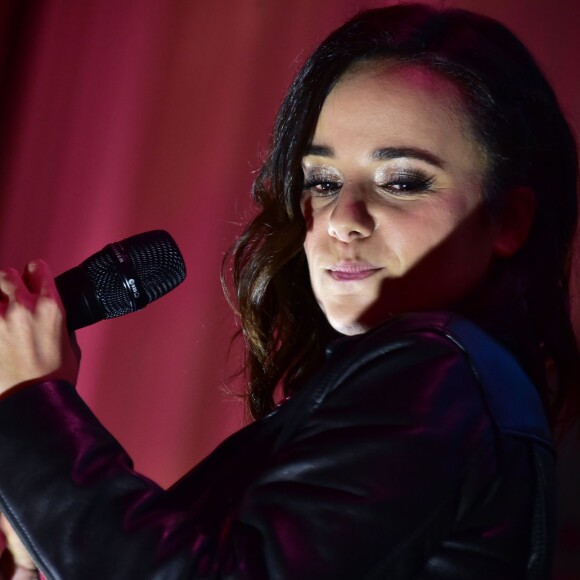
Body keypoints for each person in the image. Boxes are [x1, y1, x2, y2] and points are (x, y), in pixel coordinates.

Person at [0, 3, 578, 578]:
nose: (340, 218)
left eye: (401, 181)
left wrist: (32, 402)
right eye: (322, 181)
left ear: (508, 220)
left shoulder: (441, 375)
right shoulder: (435, 388)